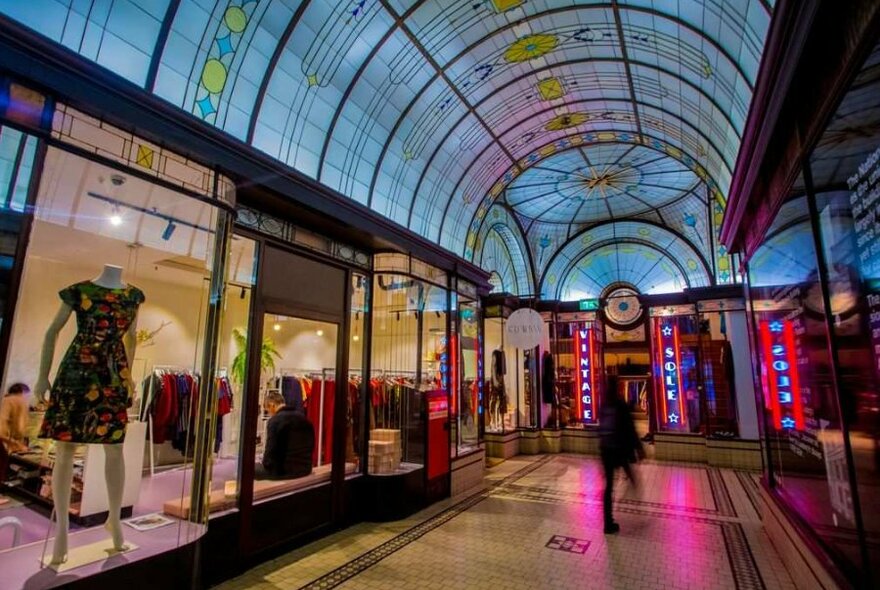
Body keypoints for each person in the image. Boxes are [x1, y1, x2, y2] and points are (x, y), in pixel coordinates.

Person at [599, 374, 643, 534]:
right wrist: (638, 447)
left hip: (607, 451)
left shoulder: (604, 405)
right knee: (625, 477)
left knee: (609, 486)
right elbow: (630, 428)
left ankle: (608, 521)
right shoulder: (619, 405)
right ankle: (633, 496)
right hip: (618, 450)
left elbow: (601, 429)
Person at [256, 390, 314, 480]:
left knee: (247, 468)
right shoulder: (304, 418)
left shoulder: (275, 421)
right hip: (306, 468)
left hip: (285, 472)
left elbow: (270, 450)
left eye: (268, 410)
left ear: (272, 405)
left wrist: (265, 464)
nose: (270, 414)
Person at [0, 383, 30, 454]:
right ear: (22, 393)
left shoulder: (6, 400)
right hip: (7, 445)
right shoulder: (8, 401)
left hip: (9, 445)